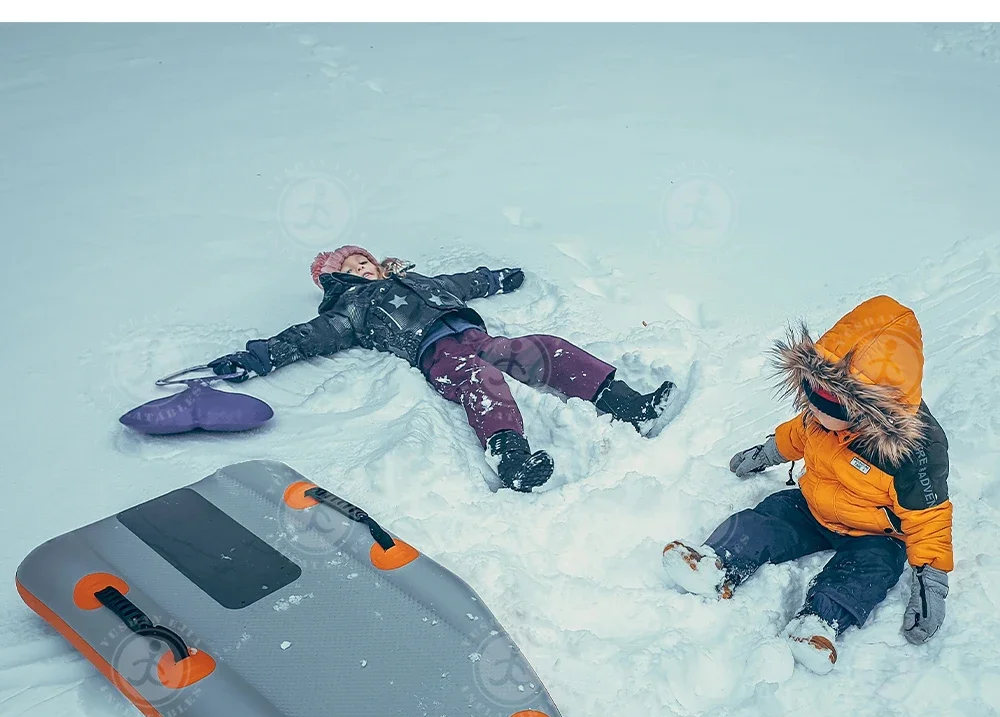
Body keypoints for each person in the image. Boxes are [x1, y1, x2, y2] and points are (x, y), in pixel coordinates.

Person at [208, 246, 676, 492]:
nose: (363, 266)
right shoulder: (349, 308)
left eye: (365, 259)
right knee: (483, 380)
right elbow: (306, 339)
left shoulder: (416, 279)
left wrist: (492, 279)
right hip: (438, 356)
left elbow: (461, 282)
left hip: (477, 336)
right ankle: (512, 462)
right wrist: (256, 357)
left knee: (545, 348)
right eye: (352, 265)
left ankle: (629, 405)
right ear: (338, 277)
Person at [660, 295, 952, 673]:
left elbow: (929, 518)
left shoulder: (915, 451)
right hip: (815, 507)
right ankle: (716, 562)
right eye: (809, 397)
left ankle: (820, 623)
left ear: (861, 410)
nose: (810, 410)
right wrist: (765, 454)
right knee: (769, 516)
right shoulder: (820, 418)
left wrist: (932, 579)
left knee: (869, 571)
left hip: (875, 533)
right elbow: (795, 436)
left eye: (822, 405)